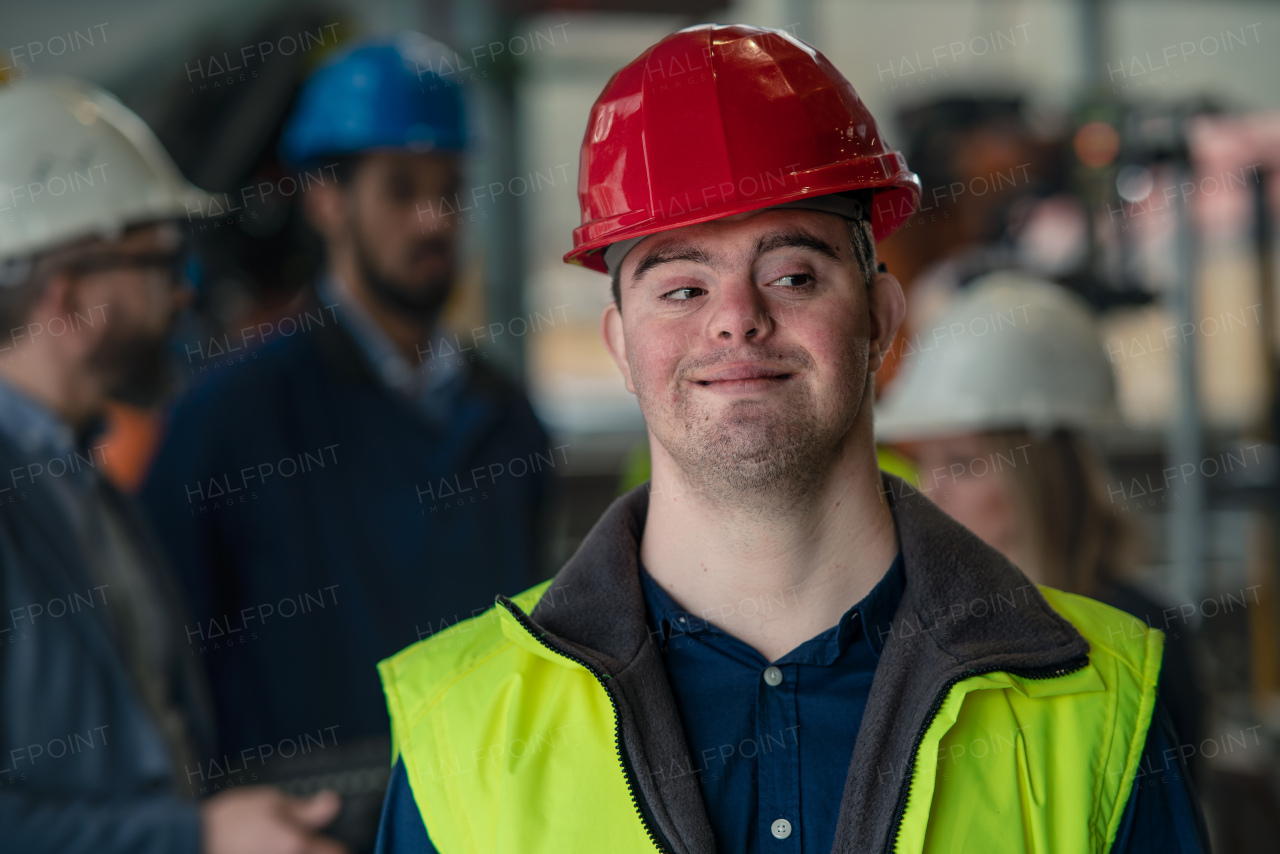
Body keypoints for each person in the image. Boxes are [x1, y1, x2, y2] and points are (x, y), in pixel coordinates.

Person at [373, 25, 1207, 853]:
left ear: (881, 320)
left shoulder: (1097, 700)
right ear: (621, 347)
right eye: (682, 287)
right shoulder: (461, 728)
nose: (737, 318)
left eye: (792, 275)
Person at [141, 33, 551, 850]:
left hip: (480, 821)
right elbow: (161, 677)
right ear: (325, 200)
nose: (435, 219)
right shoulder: (227, 418)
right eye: (401, 189)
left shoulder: (509, 418)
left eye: (451, 190)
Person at [0, 76, 345, 854]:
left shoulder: (83, 484)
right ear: (67, 298)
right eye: (160, 264)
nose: (183, 296)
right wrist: (194, 837)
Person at [874, 270, 1205, 763]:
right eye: (926, 463)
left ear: (1040, 476)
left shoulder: (1139, 633)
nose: (932, 490)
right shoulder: (920, 627)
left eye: (961, 463)